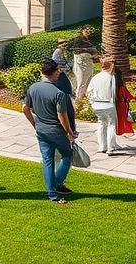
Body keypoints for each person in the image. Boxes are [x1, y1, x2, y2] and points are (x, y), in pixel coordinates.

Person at [23, 59, 76, 203]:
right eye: (58, 71)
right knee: (67, 155)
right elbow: (62, 115)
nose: (59, 73)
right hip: (57, 131)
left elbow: (25, 109)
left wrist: (34, 123)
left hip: (41, 130)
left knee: (47, 161)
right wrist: (69, 131)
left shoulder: (32, 88)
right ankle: (57, 183)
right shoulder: (58, 93)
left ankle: (52, 193)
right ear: (53, 73)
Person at [86, 56, 119, 155]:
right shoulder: (111, 77)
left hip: (97, 105)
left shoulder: (95, 78)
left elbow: (88, 91)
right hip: (108, 104)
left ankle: (102, 146)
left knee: (101, 124)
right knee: (111, 125)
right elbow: (113, 91)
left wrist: (93, 102)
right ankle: (110, 148)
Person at [69, 25, 99, 107]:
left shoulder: (88, 40)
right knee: (81, 80)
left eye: (89, 31)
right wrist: (91, 51)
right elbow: (76, 50)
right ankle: (78, 100)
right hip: (81, 63)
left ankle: (83, 97)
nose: (88, 32)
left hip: (88, 62)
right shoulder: (78, 40)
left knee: (88, 79)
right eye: (86, 31)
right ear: (82, 31)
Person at [115, 65, 135, 138]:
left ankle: (118, 131)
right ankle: (124, 130)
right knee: (124, 117)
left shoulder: (114, 87)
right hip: (123, 104)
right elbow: (128, 96)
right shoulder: (122, 87)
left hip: (114, 104)